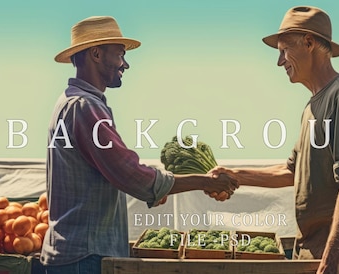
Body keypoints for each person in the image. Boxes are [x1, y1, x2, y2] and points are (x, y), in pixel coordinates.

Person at [41, 16, 238, 273]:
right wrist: (203, 181)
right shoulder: (84, 106)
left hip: (76, 253)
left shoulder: (73, 102)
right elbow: (128, 172)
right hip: (84, 256)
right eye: (120, 55)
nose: (126, 64)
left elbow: (118, 174)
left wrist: (158, 188)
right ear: (97, 54)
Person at [210, 6, 339, 274]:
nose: (279, 61)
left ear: (308, 42)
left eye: (284, 50)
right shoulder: (312, 106)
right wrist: (233, 174)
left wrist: (331, 263)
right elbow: (293, 171)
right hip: (316, 257)